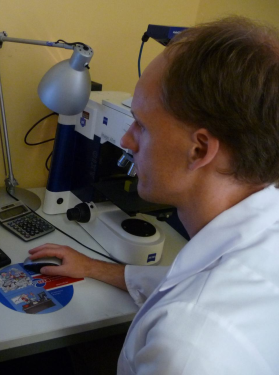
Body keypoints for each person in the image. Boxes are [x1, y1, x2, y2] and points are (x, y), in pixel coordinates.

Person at [29, 16, 279, 374]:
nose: (127, 140)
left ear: (199, 150)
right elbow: (184, 279)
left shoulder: (186, 349)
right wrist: (92, 267)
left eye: (142, 126)